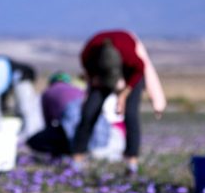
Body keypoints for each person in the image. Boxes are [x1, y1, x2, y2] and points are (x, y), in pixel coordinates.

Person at [70, 30, 166, 174]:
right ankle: (77, 157)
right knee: (89, 112)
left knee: (130, 114)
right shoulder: (89, 52)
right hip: (101, 75)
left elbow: (140, 70)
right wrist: (92, 80)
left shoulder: (130, 57)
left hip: (132, 75)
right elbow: (86, 68)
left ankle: (131, 161)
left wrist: (123, 95)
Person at [28, 72, 111, 157]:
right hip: (96, 133)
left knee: (34, 141)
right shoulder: (78, 90)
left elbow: (49, 121)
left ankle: (68, 155)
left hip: (70, 126)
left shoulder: (47, 92)